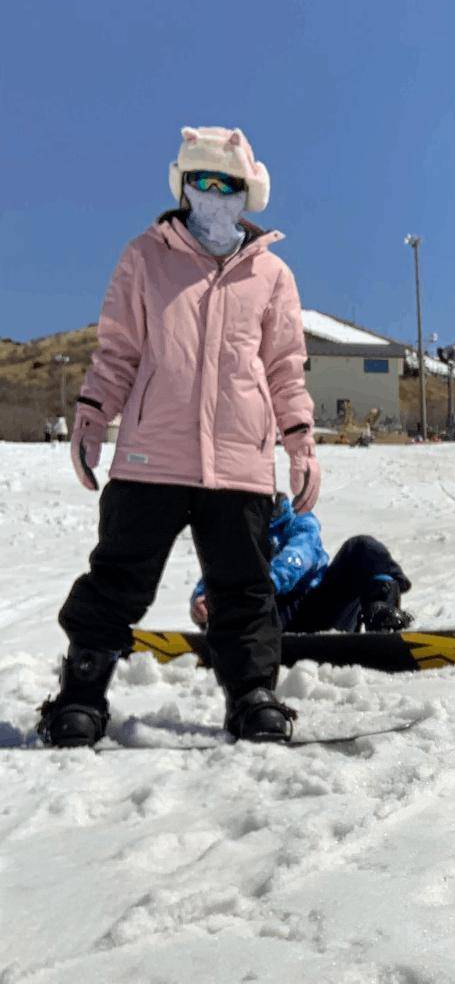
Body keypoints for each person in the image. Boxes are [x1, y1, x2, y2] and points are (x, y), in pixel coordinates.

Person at [37, 126, 320, 748]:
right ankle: (81, 691)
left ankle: (251, 694)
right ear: (183, 185)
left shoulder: (270, 274)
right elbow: (119, 351)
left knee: (243, 587)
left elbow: (284, 368)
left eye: (226, 183)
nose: (213, 193)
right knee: (118, 578)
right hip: (149, 458)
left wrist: (299, 441)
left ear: (247, 192)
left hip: (238, 463)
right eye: (201, 180)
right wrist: (91, 417)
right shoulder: (145, 256)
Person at [190, 492, 412, 637]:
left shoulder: (299, 519)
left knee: (362, 547)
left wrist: (267, 582)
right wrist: (202, 601)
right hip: (271, 617)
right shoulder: (240, 534)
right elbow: (219, 569)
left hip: (320, 608)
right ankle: (226, 633)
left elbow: (300, 555)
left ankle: (382, 615)